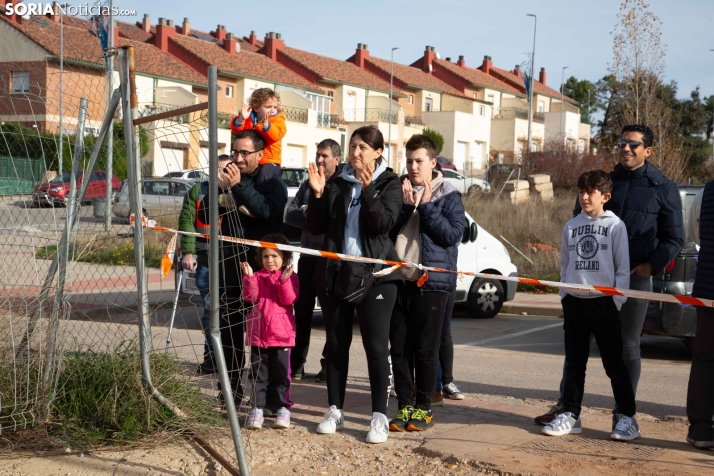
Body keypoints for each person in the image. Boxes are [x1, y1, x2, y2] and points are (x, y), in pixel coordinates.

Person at [535, 124, 684, 427]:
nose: (625, 148)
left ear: (648, 151)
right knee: (577, 347)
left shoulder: (663, 188)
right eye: (621, 143)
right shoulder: (603, 183)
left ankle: (623, 414)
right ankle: (567, 407)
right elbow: (578, 222)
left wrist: (649, 266)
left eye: (633, 144)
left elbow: (674, 239)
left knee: (627, 347)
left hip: (635, 279)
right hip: (592, 280)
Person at [306, 125, 403, 444]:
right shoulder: (337, 181)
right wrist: (318, 194)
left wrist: (369, 190)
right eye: (353, 146)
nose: (356, 152)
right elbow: (318, 226)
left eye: (363, 147)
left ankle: (378, 417)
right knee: (336, 345)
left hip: (376, 276)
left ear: (377, 152)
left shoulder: (390, 183)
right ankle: (335, 409)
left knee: (376, 347)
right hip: (336, 273)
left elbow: (382, 225)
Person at [541, 170, 640, 440]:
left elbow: (622, 268)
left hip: (604, 303)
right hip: (575, 303)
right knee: (574, 362)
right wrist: (565, 293)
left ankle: (628, 417)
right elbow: (564, 263)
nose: (584, 197)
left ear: (605, 196)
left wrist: (616, 301)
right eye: (581, 191)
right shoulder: (571, 226)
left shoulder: (615, 226)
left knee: (614, 363)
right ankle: (571, 414)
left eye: (591, 192)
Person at [197, 130, 288, 408]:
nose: (237, 158)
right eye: (234, 152)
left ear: (260, 155)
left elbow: (267, 211)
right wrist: (219, 190)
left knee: (267, 337)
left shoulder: (271, 182)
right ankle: (232, 391)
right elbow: (204, 216)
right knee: (230, 331)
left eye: (244, 153)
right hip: (231, 265)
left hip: (264, 270)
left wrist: (238, 189)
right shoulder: (226, 180)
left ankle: (270, 399)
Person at [387, 134, 464, 432]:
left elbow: (451, 236)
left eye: (419, 161)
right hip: (400, 280)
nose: (413, 166)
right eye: (408, 161)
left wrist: (427, 206)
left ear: (433, 163)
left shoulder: (449, 194)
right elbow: (387, 231)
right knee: (400, 348)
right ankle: (404, 406)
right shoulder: (400, 190)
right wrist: (406, 206)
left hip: (432, 282)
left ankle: (424, 408)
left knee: (426, 349)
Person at [284, 139, 341, 382]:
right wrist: (311, 211)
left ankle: (329, 364)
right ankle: (296, 364)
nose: (319, 160)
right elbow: (290, 214)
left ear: (336, 159)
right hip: (307, 256)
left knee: (332, 317)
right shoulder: (307, 183)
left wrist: (314, 213)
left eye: (325, 156)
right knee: (302, 312)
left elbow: (334, 220)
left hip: (330, 260)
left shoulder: (342, 184)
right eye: (318, 154)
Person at [178, 154, 232, 375]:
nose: (220, 174)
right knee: (211, 309)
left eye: (225, 170)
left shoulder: (236, 191)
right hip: (206, 261)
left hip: (230, 262)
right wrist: (189, 252)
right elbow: (186, 221)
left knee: (230, 311)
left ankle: (229, 357)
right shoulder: (198, 191)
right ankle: (211, 357)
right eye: (217, 169)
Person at [242, 233, 300, 430]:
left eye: (274, 256)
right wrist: (249, 277)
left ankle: (283, 408)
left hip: (281, 336)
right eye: (266, 256)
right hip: (259, 336)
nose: (270, 260)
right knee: (258, 374)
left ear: (284, 258)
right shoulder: (257, 276)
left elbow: (288, 299)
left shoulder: (291, 278)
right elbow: (250, 297)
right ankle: (258, 409)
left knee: (282, 375)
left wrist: (284, 280)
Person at [685, 186, 714, 448]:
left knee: (705, 360)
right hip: (708, 290)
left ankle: (701, 429)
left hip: (709, 287)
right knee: (705, 360)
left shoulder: (706, 193)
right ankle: (701, 429)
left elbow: (697, 236)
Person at [229, 88, 286, 187]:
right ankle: (234, 193)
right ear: (256, 107)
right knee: (234, 170)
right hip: (250, 159)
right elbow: (237, 130)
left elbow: (277, 135)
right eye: (268, 107)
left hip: (269, 159)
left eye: (275, 107)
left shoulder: (277, 119)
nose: (272, 110)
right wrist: (241, 119)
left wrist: (266, 125)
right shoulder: (249, 117)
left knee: (264, 175)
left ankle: (260, 197)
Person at [434, 290, 465, 406]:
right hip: (420, 281)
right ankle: (407, 384)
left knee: (444, 329)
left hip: (445, 281)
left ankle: (447, 382)